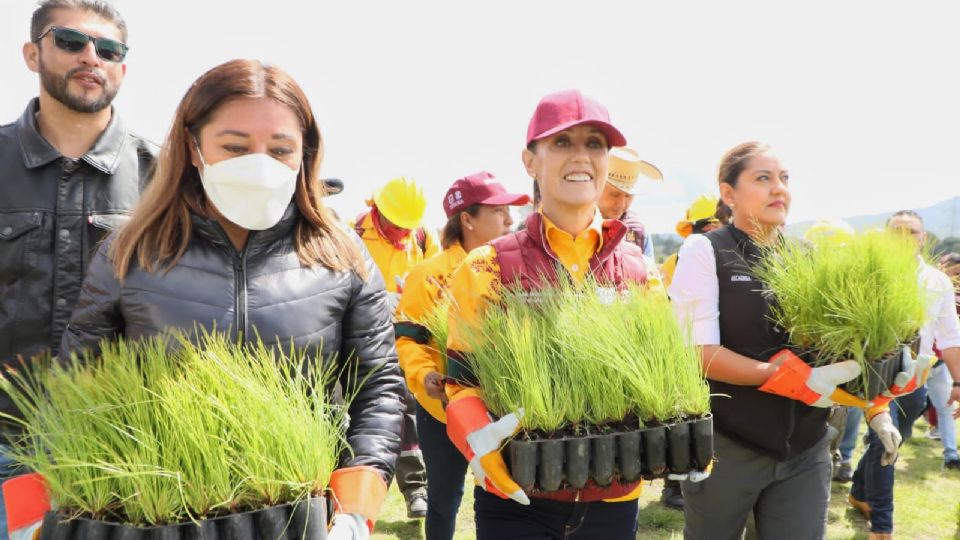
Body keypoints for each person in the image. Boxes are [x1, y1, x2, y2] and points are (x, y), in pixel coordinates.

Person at [54, 59, 404, 540]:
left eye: (280, 149)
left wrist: (357, 511)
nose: (258, 165)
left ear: (305, 154)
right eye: (235, 147)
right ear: (194, 148)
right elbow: (74, 388)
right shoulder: (131, 252)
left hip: (304, 520)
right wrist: (52, 505)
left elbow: (378, 386)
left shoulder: (342, 254)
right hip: (164, 520)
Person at [442, 89, 696, 539]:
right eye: (562, 142)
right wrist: (476, 440)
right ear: (530, 160)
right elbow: (460, 381)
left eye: (594, 143)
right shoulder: (486, 266)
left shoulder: (639, 271)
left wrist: (686, 431)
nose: (580, 156)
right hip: (517, 499)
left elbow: (667, 376)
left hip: (615, 498)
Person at [668, 141, 900, 540]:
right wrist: (780, 376)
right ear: (728, 193)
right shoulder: (707, 250)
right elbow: (698, 354)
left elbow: (837, 349)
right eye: (763, 178)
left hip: (806, 448)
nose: (780, 189)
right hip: (727, 444)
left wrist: (879, 390)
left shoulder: (806, 255)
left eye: (785, 179)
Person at [0, 1, 156, 535]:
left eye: (108, 49)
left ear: (122, 68)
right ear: (32, 52)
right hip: (4, 447)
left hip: (120, 454)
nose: (91, 57)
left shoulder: (163, 179)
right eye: (70, 41)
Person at [395, 172, 529, 540]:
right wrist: (424, 376)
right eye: (499, 212)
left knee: (507, 494)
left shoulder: (516, 272)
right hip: (443, 413)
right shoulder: (428, 276)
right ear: (467, 220)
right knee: (444, 499)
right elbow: (410, 341)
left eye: (509, 212)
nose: (509, 221)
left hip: (505, 409)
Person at [848, 211, 960, 539]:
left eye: (910, 232)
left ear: (922, 238)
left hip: (915, 381)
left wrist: (958, 380)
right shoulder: (868, 276)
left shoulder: (936, 282)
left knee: (893, 438)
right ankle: (882, 525)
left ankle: (859, 491)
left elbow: (950, 337)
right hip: (876, 378)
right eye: (895, 232)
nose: (903, 238)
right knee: (886, 440)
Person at [351, 176, 438, 518]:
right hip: (359, 339)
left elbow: (438, 281)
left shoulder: (423, 237)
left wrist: (413, 296)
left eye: (407, 227)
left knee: (407, 411)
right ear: (378, 212)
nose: (402, 234)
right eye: (395, 226)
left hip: (404, 339)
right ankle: (348, 500)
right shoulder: (352, 233)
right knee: (352, 414)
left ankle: (416, 490)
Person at [596, 147, 661, 259]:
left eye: (628, 196)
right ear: (597, 188)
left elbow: (649, 273)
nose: (621, 204)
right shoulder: (575, 224)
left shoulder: (639, 232)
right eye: (614, 194)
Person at [660, 194, 722, 290]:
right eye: (705, 225)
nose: (710, 229)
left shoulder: (735, 262)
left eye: (714, 225)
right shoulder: (673, 264)